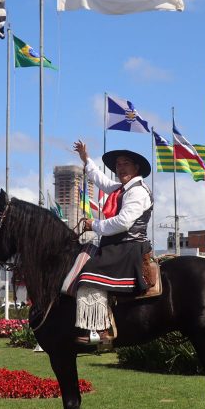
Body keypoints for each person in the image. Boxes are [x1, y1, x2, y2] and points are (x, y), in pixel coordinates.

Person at [72, 140, 154, 345]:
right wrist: (86, 159)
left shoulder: (137, 191)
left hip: (128, 246)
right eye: (118, 164)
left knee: (88, 276)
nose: (121, 167)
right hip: (118, 245)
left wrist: (95, 225)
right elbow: (102, 181)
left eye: (126, 163)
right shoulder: (123, 189)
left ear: (136, 168)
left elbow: (123, 222)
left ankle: (101, 329)